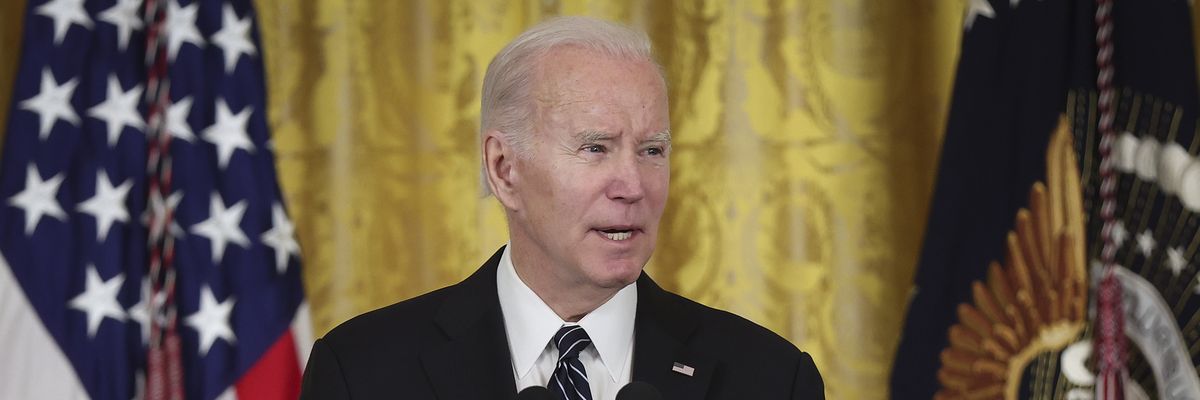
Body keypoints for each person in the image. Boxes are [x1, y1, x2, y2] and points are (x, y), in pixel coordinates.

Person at [299, 16, 824, 400]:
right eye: (595, 148)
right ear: (504, 169)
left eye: (652, 151)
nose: (632, 185)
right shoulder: (363, 372)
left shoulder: (772, 379)